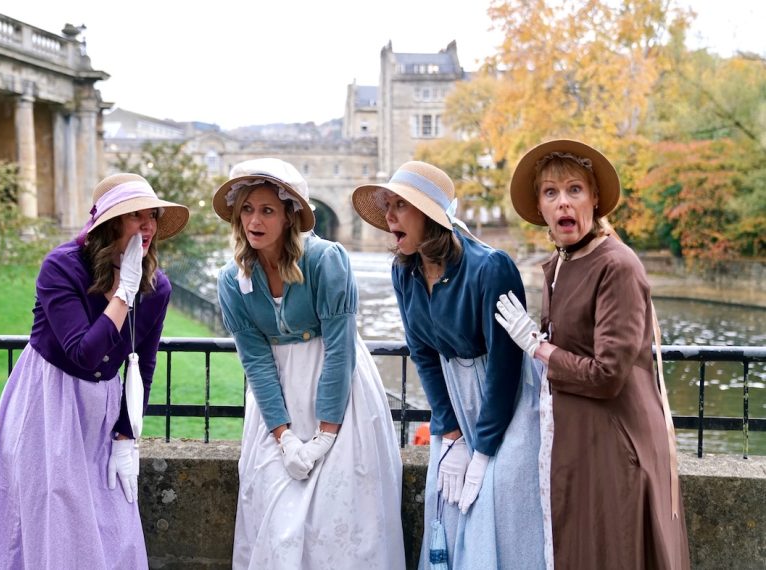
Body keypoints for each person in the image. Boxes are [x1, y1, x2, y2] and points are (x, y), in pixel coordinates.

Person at [0, 173, 189, 569]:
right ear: (110, 223)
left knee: (113, 522)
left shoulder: (157, 288)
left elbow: (145, 362)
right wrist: (124, 291)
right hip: (48, 400)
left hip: (101, 409)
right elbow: (84, 352)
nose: (148, 227)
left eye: (152, 216)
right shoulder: (61, 268)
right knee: (50, 512)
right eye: (135, 215)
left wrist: (126, 433)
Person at [497, 139, 690, 569]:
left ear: (595, 198)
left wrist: (537, 345)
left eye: (574, 190)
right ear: (541, 207)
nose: (563, 202)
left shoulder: (616, 265)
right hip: (580, 440)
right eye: (550, 193)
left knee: (612, 552)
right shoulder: (562, 261)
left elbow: (607, 374)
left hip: (618, 445)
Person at [351, 161, 547, 568]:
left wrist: (484, 450)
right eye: (387, 206)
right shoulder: (403, 271)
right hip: (455, 405)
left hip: (505, 405)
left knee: (496, 506)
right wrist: (453, 435)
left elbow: (505, 367)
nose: (389, 217)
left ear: (429, 215)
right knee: (450, 512)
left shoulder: (491, 268)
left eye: (399, 206)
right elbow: (423, 354)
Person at [214, 158, 405, 569]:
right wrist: (283, 436)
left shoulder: (325, 260)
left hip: (339, 395)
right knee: (274, 510)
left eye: (267, 210)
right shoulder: (232, 281)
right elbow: (256, 361)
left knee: (340, 515)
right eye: (247, 209)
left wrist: (325, 434)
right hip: (276, 403)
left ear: (289, 215)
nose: (254, 220)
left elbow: (339, 350)